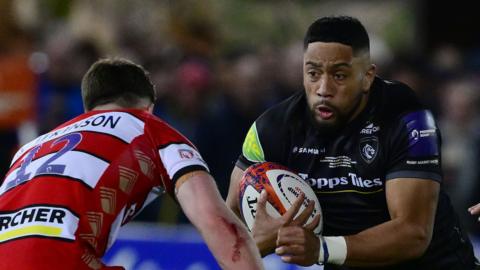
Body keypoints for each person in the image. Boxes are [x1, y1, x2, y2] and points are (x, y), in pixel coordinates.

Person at [226, 16, 478, 269]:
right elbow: (228, 223)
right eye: (313, 73)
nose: (323, 88)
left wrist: (321, 248)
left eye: (339, 75)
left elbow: (413, 234)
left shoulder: (407, 117)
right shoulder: (270, 129)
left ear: (367, 76)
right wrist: (256, 242)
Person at [0, 58, 264, 270]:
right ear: (148, 106)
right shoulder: (151, 130)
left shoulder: (29, 148)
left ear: (87, 109)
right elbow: (215, 220)